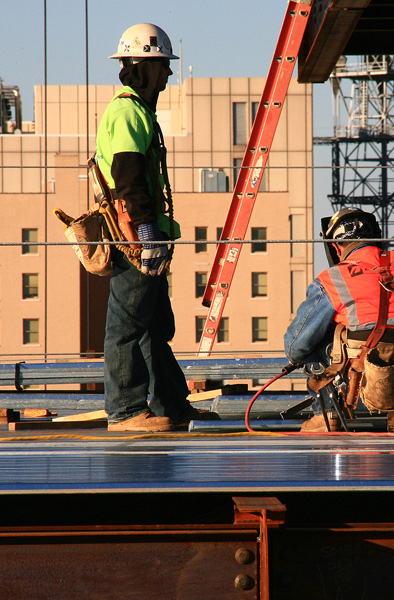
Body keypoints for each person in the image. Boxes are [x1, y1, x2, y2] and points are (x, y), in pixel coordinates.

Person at [96, 23, 216, 432]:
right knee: (127, 326)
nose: (166, 76)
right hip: (135, 239)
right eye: (162, 67)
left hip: (148, 238)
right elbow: (128, 177)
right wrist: (146, 235)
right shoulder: (128, 111)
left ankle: (170, 406)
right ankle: (126, 412)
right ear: (143, 67)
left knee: (155, 326)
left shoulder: (139, 111)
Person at [284, 208, 394, 434]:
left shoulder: (332, 278)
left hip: (359, 366)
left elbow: (297, 345)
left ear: (336, 246)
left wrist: (296, 354)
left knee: (315, 345)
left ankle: (328, 415)